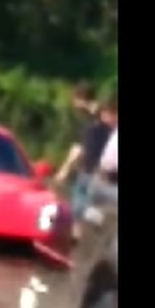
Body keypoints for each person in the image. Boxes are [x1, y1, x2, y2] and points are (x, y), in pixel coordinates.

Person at [55, 97, 118, 235]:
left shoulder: (108, 132)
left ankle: (79, 235)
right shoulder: (95, 128)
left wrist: (65, 169)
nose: (106, 116)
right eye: (105, 113)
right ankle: (76, 236)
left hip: (96, 175)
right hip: (87, 171)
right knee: (78, 209)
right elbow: (81, 148)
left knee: (84, 209)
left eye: (110, 114)